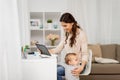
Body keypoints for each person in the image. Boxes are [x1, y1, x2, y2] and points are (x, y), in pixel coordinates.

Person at [49, 12, 88, 80]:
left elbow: (85, 54)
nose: (64, 28)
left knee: (54, 72)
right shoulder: (66, 33)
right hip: (68, 63)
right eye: (62, 26)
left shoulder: (81, 34)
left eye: (65, 25)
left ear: (72, 23)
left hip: (78, 65)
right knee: (51, 69)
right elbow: (58, 48)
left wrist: (81, 67)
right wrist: (46, 51)